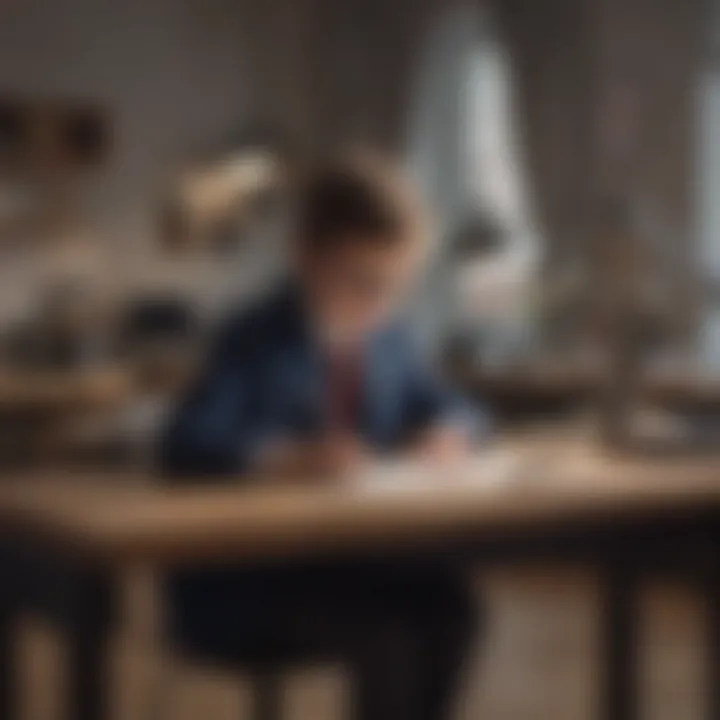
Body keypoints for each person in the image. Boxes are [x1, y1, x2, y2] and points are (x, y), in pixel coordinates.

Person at [160, 151, 488, 720]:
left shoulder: (390, 337)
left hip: (348, 559)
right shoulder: (253, 335)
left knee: (452, 605)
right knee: (385, 628)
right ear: (306, 258)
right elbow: (186, 440)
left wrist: (448, 431)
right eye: (362, 281)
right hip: (253, 579)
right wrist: (280, 457)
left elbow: (460, 407)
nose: (379, 302)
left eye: (393, 285)